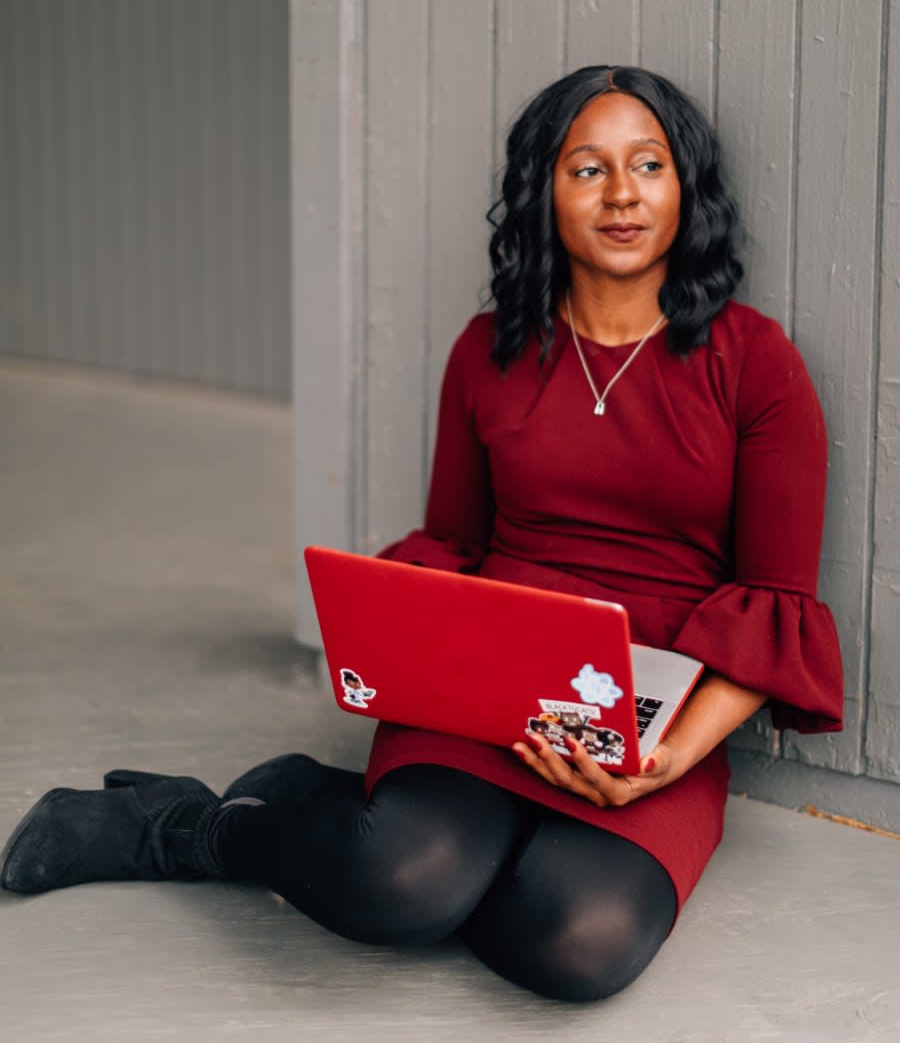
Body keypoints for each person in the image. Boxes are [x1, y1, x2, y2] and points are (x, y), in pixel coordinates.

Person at [0, 66, 844, 1003]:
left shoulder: (757, 363)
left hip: (656, 715)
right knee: (403, 886)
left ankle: (331, 810)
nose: (621, 195)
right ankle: (184, 827)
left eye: (648, 165)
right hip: (491, 678)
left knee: (576, 947)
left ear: (686, 187)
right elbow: (452, 546)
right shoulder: (490, 350)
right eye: (587, 169)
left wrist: (670, 759)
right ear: (544, 191)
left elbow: (778, 602)